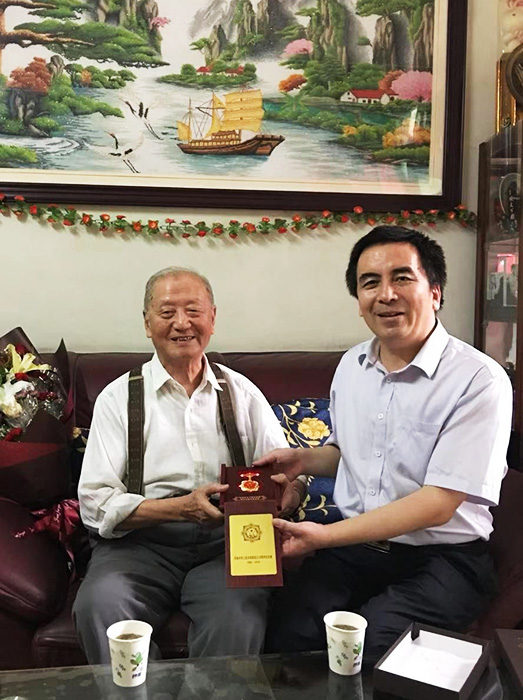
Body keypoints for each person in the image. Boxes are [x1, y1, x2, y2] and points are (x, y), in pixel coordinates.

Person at [256, 226, 513, 664]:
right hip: (356, 549)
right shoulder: (352, 366)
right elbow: (350, 454)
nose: (385, 294)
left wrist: (324, 536)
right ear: (359, 301)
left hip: (443, 558)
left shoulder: (478, 380)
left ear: (435, 292)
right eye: (370, 283)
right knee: (291, 631)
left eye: (402, 278)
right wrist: (302, 460)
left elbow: (439, 503)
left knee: (378, 643)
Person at [73, 267, 297, 664]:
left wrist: (284, 496)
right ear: (147, 323)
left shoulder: (242, 392)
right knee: (99, 605)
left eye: (193, 310)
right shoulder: (117, 398)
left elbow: (289, 470)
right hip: (140, 545)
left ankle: (211, 694)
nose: (182, 323)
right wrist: (179, 509)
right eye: (167, 312)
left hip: (227, 543)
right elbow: (94, 503)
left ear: (212, 318)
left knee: (238, 617)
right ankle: (142, 694)